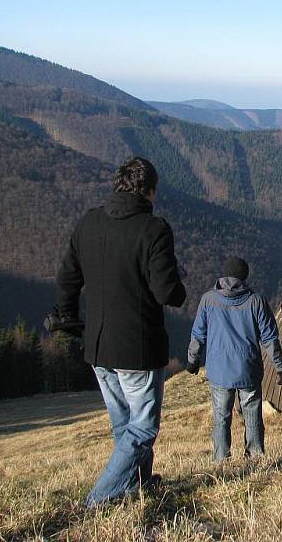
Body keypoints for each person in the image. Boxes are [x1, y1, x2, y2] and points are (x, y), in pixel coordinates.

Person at [56, 157, 186, 506]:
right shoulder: (154, 229)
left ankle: (138, 484)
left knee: (124, 425)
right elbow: (167, 293)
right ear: (151, 191)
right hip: (137, 347)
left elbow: (68, 277)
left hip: (97, 346)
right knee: (143, 427)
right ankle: (99, 499)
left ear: (118, 184)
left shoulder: (90, 222)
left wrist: (68, 316)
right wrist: (179, 281)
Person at [186, 257, 282, 463]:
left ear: (224, 275)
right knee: (252, 415)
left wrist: (193, 360)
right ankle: (255, 457)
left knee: (221, 417)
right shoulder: (256, 301)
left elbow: (198, 333)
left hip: (219, 371)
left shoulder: (209, 299)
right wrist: (280, 368)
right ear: (245, 276)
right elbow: (269, 338)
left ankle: (221, 459)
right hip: (248, 369)